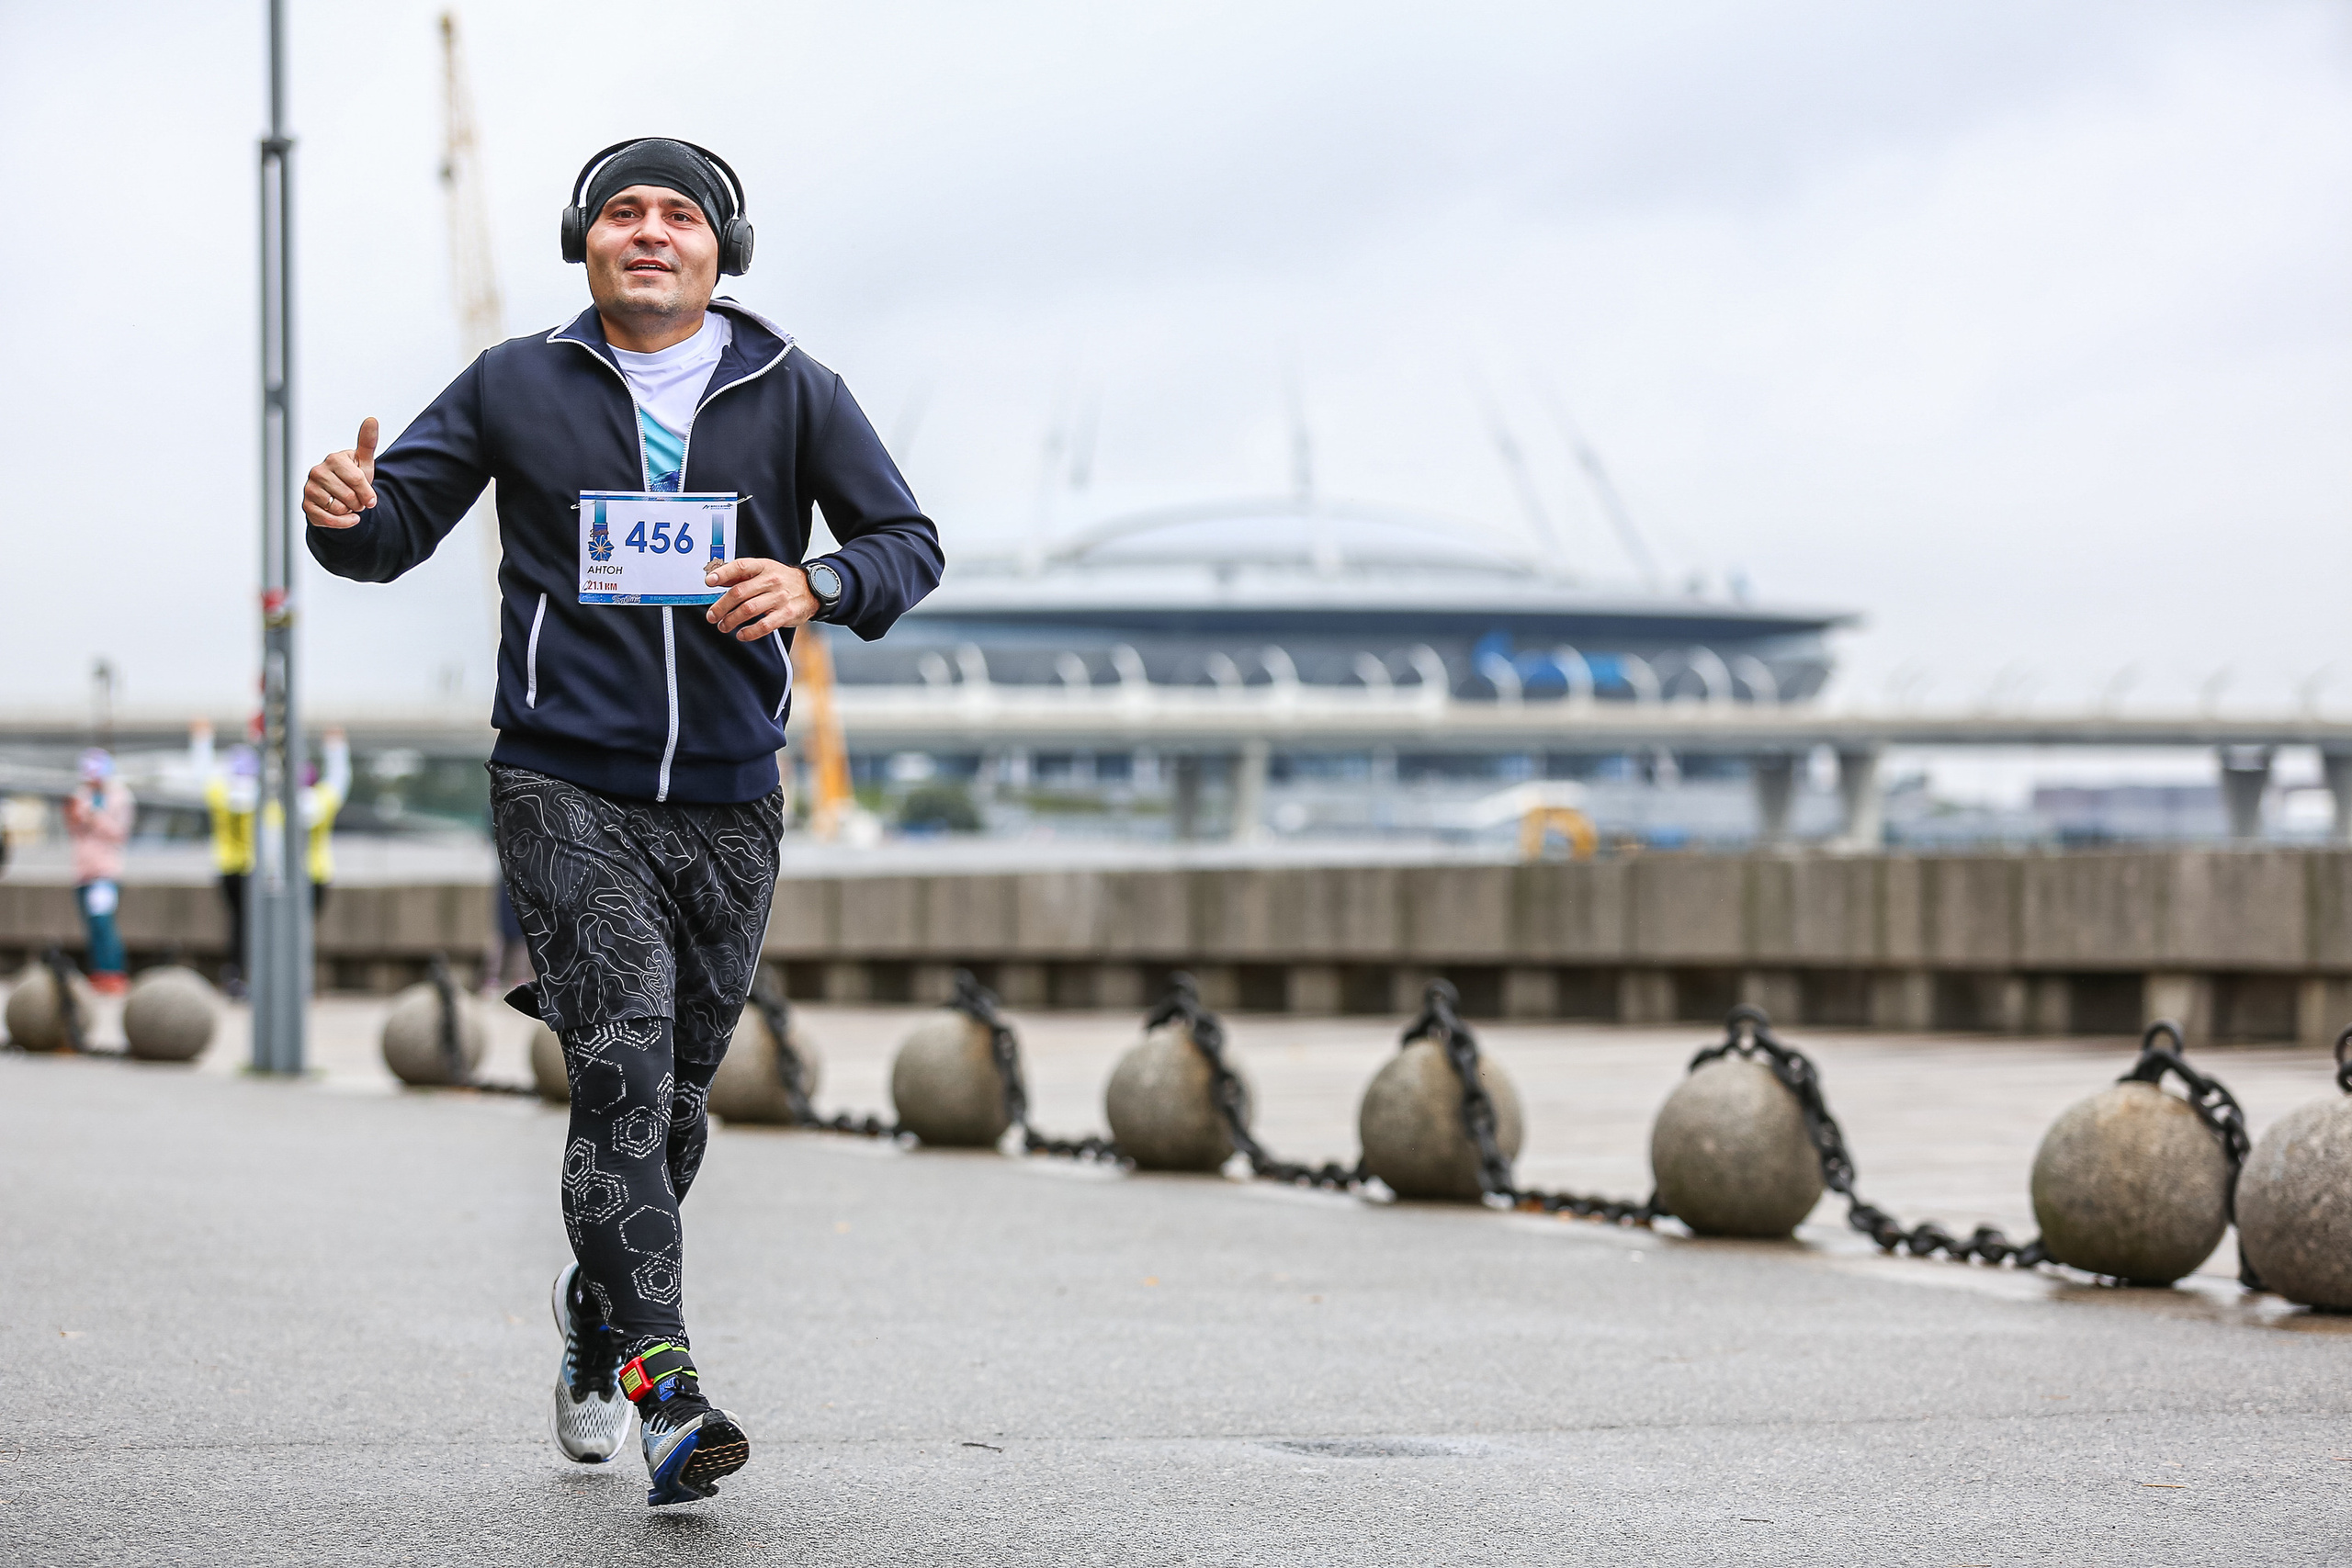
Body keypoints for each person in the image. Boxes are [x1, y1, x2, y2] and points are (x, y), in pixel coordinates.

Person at [301, 137, 942, 1506]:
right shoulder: (513, 381)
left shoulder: (792, 388)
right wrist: (344, 517)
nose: (651, 231)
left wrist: (819, 582)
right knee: (623, 1071)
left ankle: (596, 1319)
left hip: (728, 795)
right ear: (582, 241)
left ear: (725, 248)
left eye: (682, 214)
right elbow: (390, 527)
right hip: (562, 780)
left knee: (682, 1105)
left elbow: (908, 542)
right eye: (623, 212)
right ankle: (667, 1390)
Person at [62, 749, 134, 994]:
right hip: (82, 871)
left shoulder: (120, 797)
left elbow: (119, 833)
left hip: (106, 872)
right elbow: (75, 831)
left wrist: (94, 816)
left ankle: (113, 971)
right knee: (91, 926)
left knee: (104, 923)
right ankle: (98, 971)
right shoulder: (80, 796)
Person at [195, 727, 258, 998]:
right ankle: (249, 974)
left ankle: (234, 974)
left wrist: (202, 740)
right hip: (251, 868)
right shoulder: (257, 796)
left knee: (236, 924)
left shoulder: (220, 794)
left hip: (225, 868)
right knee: (250, 925)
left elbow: (202, 772)